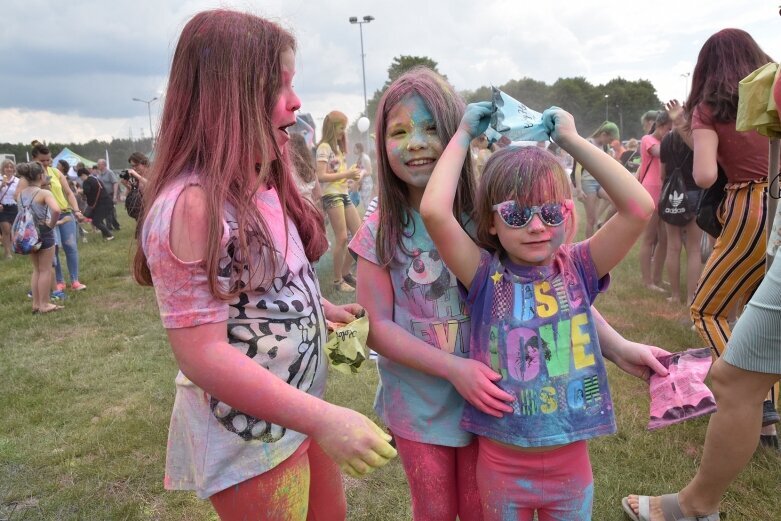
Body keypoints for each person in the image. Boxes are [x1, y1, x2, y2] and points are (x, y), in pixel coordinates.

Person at [352, 67, 665, 521]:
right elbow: (379, 322)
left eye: (431, 127)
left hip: (504, 412)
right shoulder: (426, 246)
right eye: (399, 131)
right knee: (435, 510)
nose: (416, 142)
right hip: (429, 405)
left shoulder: (525, 240)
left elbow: (559, 296)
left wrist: (616, 346)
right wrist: (462, 134)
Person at [131, 10, 395, 519]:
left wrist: (318, 307)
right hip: (251, 441)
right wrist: (323, 419)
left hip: (298, 413)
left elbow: (270, 281)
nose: (296, 102)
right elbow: (202, 355)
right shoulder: (192, 206)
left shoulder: (264, 185)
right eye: (278, 86)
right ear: (226, 97)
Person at [419, 100, 654, 520]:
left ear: (568, 213)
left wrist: (571, 139)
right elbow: (435, 212)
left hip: (571, 465)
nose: (536, 226)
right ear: (491, 223)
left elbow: (638, 208)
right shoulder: (484, 275)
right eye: (515, 213)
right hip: (501, 466)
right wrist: (461, 137)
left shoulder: (579, 267)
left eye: (551, 211)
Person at [669, 29, 778, 441]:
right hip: (779, 197)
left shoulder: (711, 107)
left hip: (752, 206)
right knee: (763, 311)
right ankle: (767, 418)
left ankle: (754, 400)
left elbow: (704, 174)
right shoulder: (772, 91)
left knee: (707, 310)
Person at [22, 141, 87, 292]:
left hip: (64, 213)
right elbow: (21, 196)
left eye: (48, 160)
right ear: (33, 159)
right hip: (46, 216)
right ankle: (59, 281)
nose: (45, 163)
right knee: (53, 249)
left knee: (71, 246)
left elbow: (69, 192)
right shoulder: (30, 177)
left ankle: (75, 280)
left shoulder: (56, 173)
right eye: (41, 160)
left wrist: (77, 211)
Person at [316, 111, 363, 292]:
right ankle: (337, 282)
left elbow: (336, 175)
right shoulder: (324, 147)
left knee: (359, 235)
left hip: (343, 193)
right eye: (341, 127)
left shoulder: (337, 148)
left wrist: (351, 177)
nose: (344, 131)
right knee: (342, 238)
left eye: (344, 127)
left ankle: (345, 273)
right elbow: (321, 176)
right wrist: (347, 174)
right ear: (332, 127)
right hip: (332, 195)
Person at [659, 130, 703, 305]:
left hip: (671, 195)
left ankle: (676, 295)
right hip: (694, 193)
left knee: (673, 247)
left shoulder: (666, 140)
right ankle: (691, 297)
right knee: (694, 249)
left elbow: (662, 175)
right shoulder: (696, 137)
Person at [14, 162, 62, 313]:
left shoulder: (21, 194)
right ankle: (44, 304)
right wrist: (51, 225)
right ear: (41, 176)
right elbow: (56, 210)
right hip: (43, 231)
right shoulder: (44, 193)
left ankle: (36, 304)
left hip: (28, 235)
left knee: (36, 270)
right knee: (45, 270)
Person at [638, 111, 672, 291]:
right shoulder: (647, 139)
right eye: (669, 128)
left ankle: (657, 278)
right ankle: (647, 281)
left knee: (664, 239)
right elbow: (660, 152)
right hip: (650, 191)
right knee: (649, 238)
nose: (670, 132)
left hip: (664, 191)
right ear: (659, 126)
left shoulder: (664, 139)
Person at [77, 167, 114, 241]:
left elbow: (87, 191)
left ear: (83, 175)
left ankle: (110, 235)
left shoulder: (87, 181)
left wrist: (80, 191)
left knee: (96, 221)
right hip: (106, 202)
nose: (81, 179)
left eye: (80, 177)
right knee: (97, 219)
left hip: (101, 204)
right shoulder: (95, 179)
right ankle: (105, 235)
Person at [289, 132, 322, 205]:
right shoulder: (310, 168)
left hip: (295, 209)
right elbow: (318, 194)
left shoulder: (288, 169)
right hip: (310, 208)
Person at [0, 158, 20, 259]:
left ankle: (13, 248)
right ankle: (7, 253)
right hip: (2, 208)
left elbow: (21, 193)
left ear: (14, 169)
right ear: (3, 169)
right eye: (6, 167)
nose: (9, 169)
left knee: (14, 229)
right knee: (6, 230)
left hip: (14, 207)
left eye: (11, 167)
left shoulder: (17, 181)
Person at [96, 158, 121, 231]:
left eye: (99, 164)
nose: (97, 166)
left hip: (110, 194)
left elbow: (115, 183)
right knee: (110, 211)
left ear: (103, 165)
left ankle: (109, 227)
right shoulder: (99, 174)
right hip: (103, 196)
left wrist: (115, 196)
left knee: (109, 211)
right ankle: (116, 225)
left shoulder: (109, 172)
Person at [354, 142, 375, 210]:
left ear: (359, 149)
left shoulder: (365, 158)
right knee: (362, 202)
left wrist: (361, 172)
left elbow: (369, 171)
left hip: (366, 183)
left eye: (355, 148)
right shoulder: (359, 158)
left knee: (366, 203)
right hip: (361, 183)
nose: (353, 149)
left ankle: (369, 218)